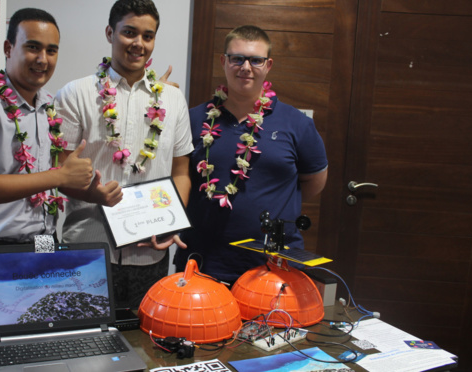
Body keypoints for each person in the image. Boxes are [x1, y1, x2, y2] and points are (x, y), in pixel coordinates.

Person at [0, 8, 93, 371]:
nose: (42, 59)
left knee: (39, 353)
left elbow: (54, 175)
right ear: (8, 48)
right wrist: (61, 177)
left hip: (44, 245)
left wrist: (96, 192)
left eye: (51, 50)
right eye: (32, 47)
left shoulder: (47, 106)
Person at [54, 0, 193, 309]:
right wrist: (95, 194)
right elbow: (59, 173)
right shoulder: (76, 94)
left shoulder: (172, 99)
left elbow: (182, 172)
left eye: (148, 35)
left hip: (151, 253)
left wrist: (170, 221)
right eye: (129, 32)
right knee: (84, 346)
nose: (138, 44)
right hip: (89, 249)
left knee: (150, 345)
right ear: (110, 33)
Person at [174, 25, 328, 285]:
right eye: (237, 58)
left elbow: (314, 182)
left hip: (271, 268)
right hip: (203, 263)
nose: (246, 67)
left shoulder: (296, 123)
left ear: (268, 65)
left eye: (255, 60)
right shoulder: (194, 118)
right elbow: (180, 176)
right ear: (224, 61)